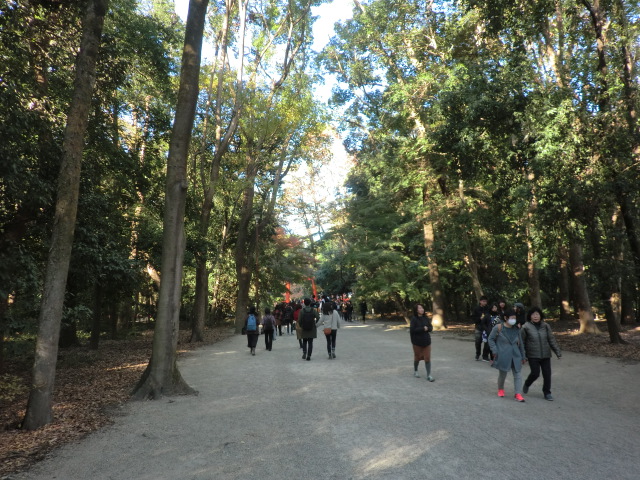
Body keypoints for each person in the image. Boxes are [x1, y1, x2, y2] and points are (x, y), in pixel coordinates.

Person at [521, 307, 562, 401]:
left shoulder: (546, 326)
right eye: (533, 314)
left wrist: (557, 352)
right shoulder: (525, 327)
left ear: (540, 316)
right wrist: (523, 355)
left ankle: (547, 392)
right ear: (530, 316)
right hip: (532, 354)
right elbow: (522, 342)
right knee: (535, 373)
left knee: (547, 374)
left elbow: (551, 339)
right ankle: (527, 383)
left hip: (545, 354)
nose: (535, 316)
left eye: (537, 314)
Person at [488, 309, 527, 402]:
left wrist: (523, 356)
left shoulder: (517, 329)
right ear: (506, 318)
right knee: (503, 374)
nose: (513, 320)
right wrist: (495, 350)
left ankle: (518, 393)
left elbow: (521, 343)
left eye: (515, 318)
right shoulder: (498, 327)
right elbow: (490, 339)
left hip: (516, 355)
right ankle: (500, 389)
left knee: (518, 374)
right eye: (512, 318)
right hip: (503, 354)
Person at [409, 303, 435, 382]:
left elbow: (431, 327)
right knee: (417, 357)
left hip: (426, 341)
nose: (422, 309)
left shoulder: (426, 318)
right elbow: (412, 330)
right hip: (417, 342)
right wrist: (422, 329)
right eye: (420, 308)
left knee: (427, 358)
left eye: (422, 308)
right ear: (416, 310)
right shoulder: (414, 319)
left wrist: (428, 329)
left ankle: (429, 375)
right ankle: (416, 371)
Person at [472, 295, 491, 360]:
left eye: (486, 301)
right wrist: (479, 318)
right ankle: (478, 354)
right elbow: (473, 318)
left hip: (486, 327)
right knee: (478, 341)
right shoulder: (476, 309)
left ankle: (485, 355)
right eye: (483, 301)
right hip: (479, 327)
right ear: (480, 301)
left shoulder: (488, 308)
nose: (485, 303)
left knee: (487, 342)